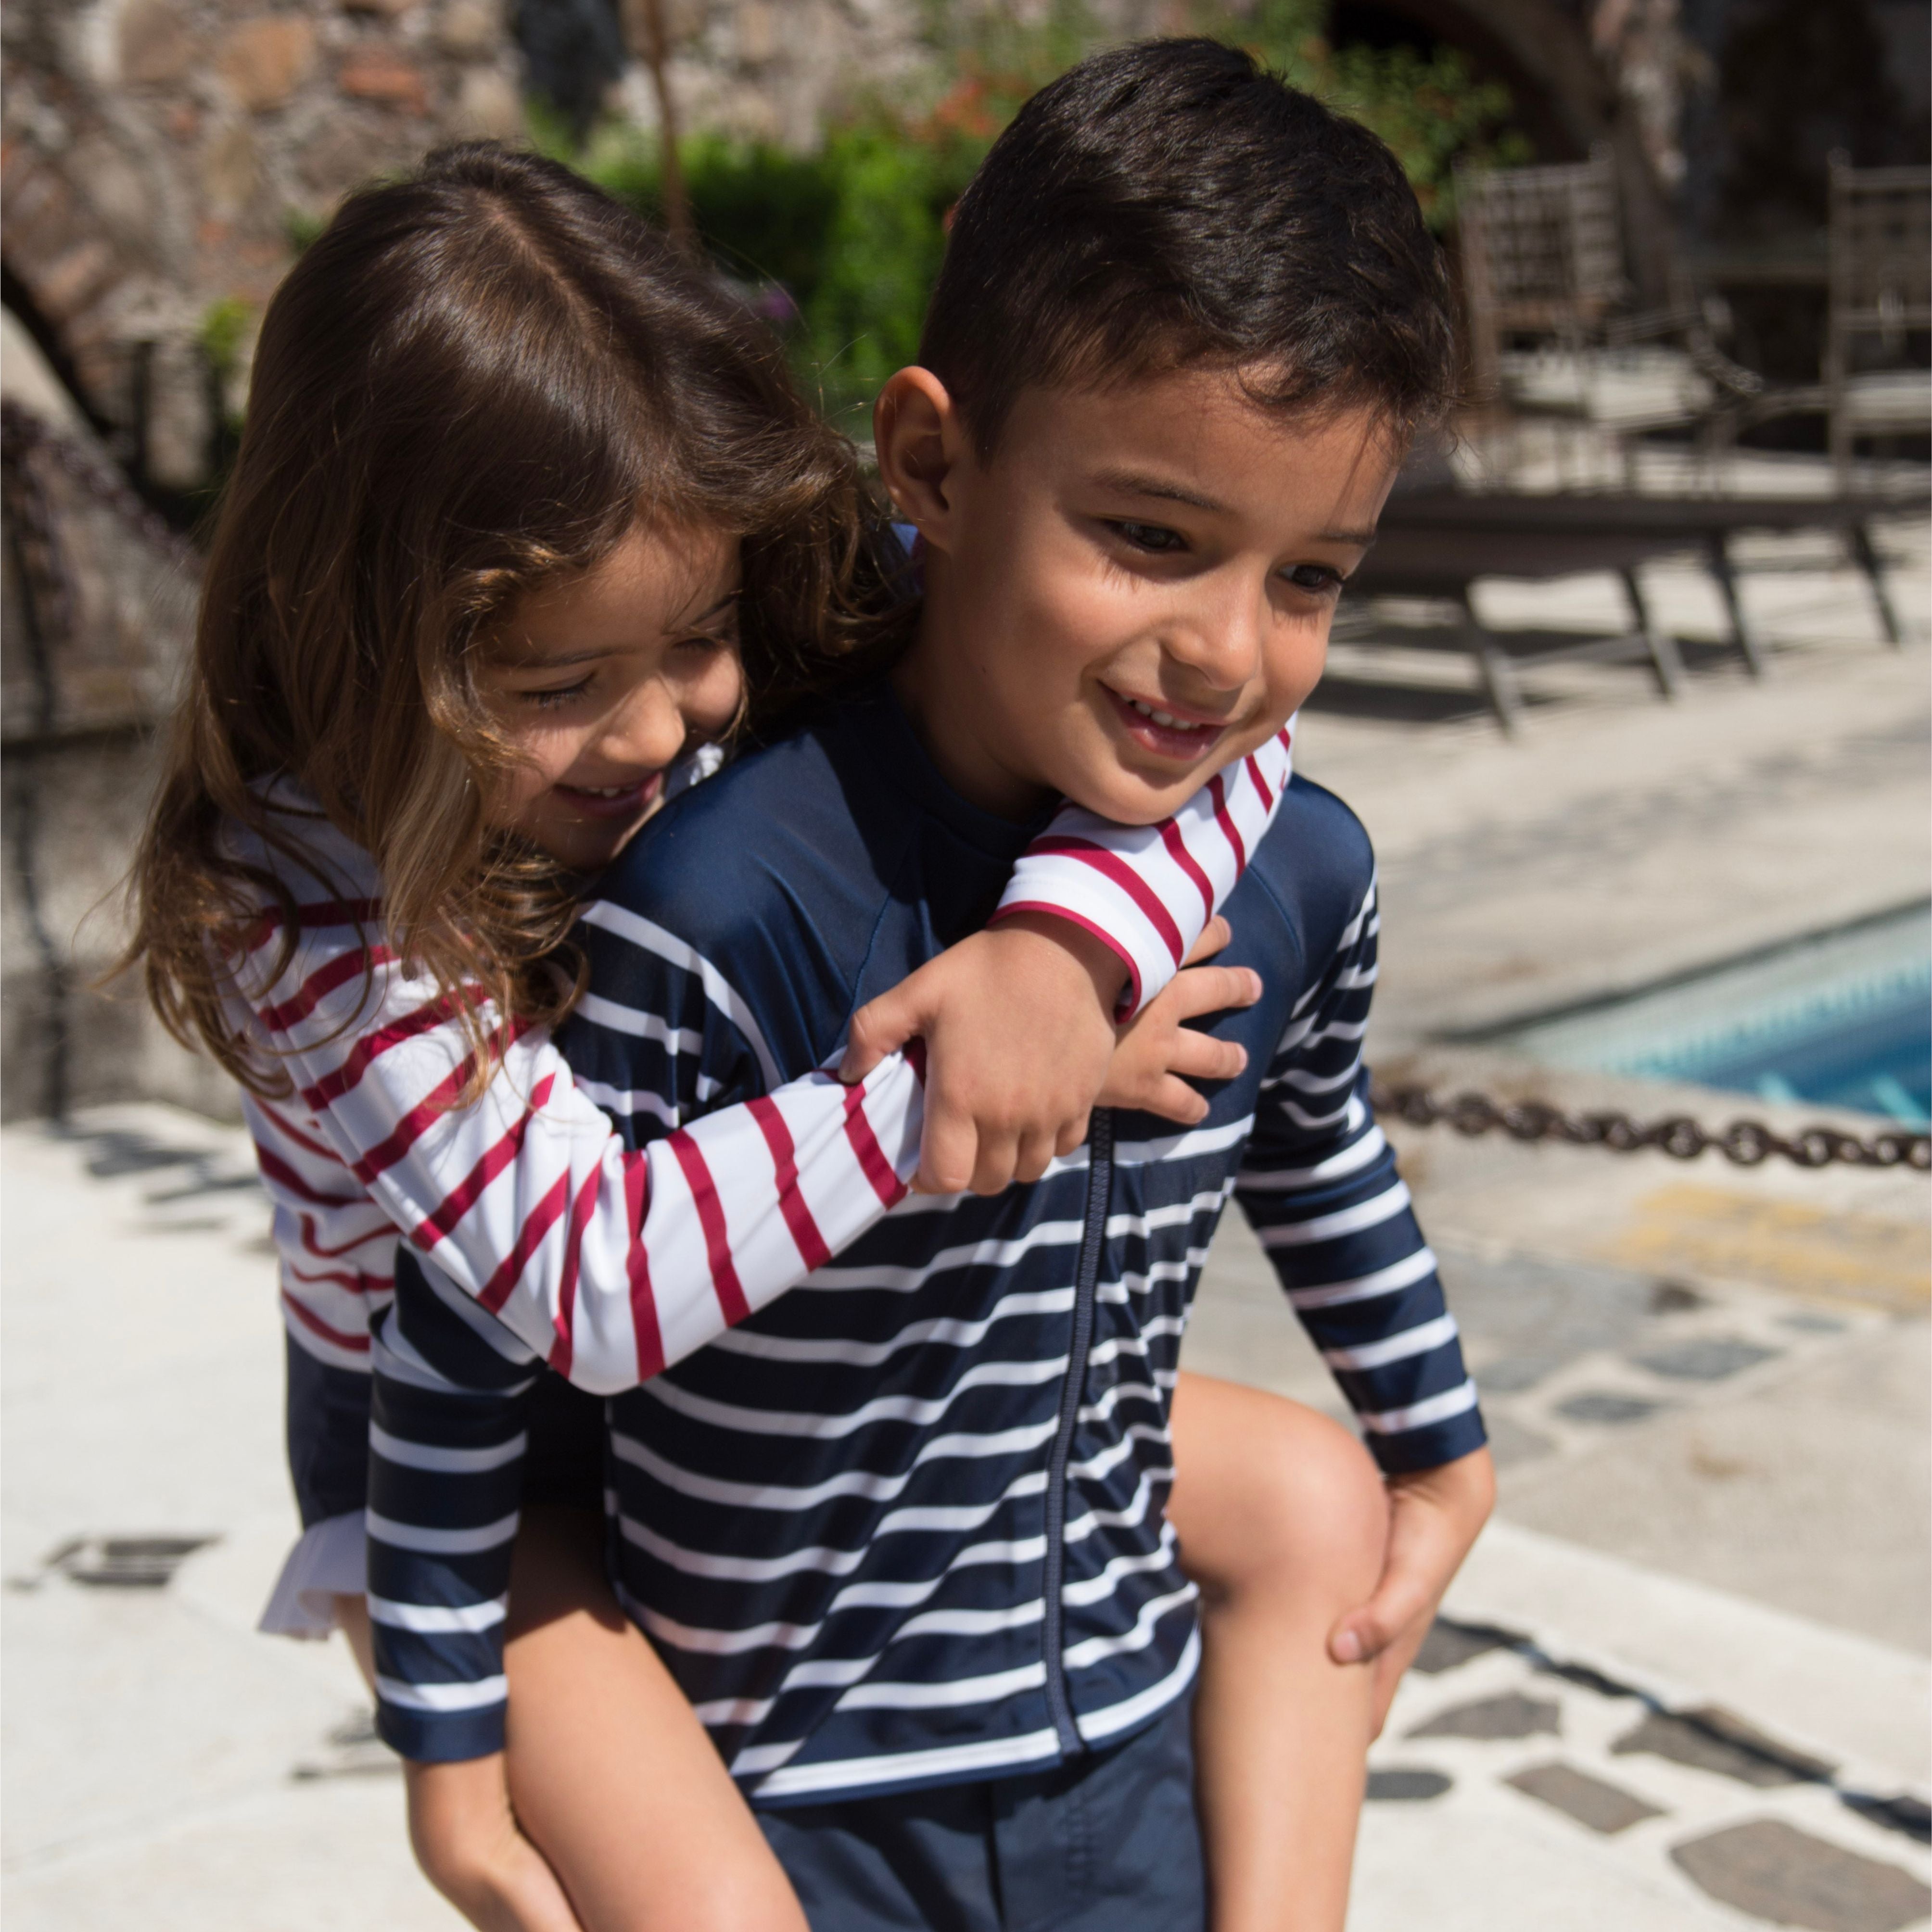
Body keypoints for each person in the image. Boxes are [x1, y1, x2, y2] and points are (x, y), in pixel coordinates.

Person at [372, 44, 1496, 1932]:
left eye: (1307, 575)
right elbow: (495, 1351)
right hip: (794, 1799)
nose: (1223, 652)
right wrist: (459, 1723)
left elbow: (1318, 1154)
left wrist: (1435, 1441)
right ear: (932, 465)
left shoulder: (1293, 871)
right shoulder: (721, 906)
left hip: (1121, 1745)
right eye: (1146, 535)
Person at [123, 144, 1298, 1931]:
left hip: (742, 1396)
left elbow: (1207, 729)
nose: (664, 728)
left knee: (1308, 1501)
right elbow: (586, 1281)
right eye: (554, 686)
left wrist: (1069, 953)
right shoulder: (303, 909)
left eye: (693, 641)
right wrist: (955, 1083)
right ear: (357, 639)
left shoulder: (746, 609)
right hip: (480, 1498)